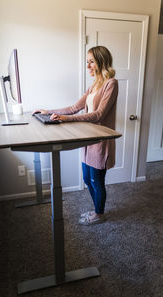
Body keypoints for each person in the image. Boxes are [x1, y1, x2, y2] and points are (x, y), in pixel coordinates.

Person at [33, 46, 118, 225]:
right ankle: (97, 210)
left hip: (100, 139)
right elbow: (74, 107)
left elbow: (99, 115)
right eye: (87, 61)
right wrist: (49, 112)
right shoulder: (93, 85)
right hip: (87, 139)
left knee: (97, 180)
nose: (88, 65)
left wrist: (67, 119)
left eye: (91, 61)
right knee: (87, 178)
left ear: (101, 61)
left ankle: (99, 214)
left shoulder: (111, 83)